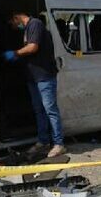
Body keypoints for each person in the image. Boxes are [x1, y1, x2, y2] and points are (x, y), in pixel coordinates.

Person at [4, 11, 65, 158]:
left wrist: (16, 53)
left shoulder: (35, 24)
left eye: (13, 23)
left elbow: (33, 47)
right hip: (34, 77)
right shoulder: (27, 29)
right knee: (39, 110)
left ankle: (59, 144)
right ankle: (43, 141)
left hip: (44, 76)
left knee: (50, 109)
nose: (14, 27)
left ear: (16, 17)